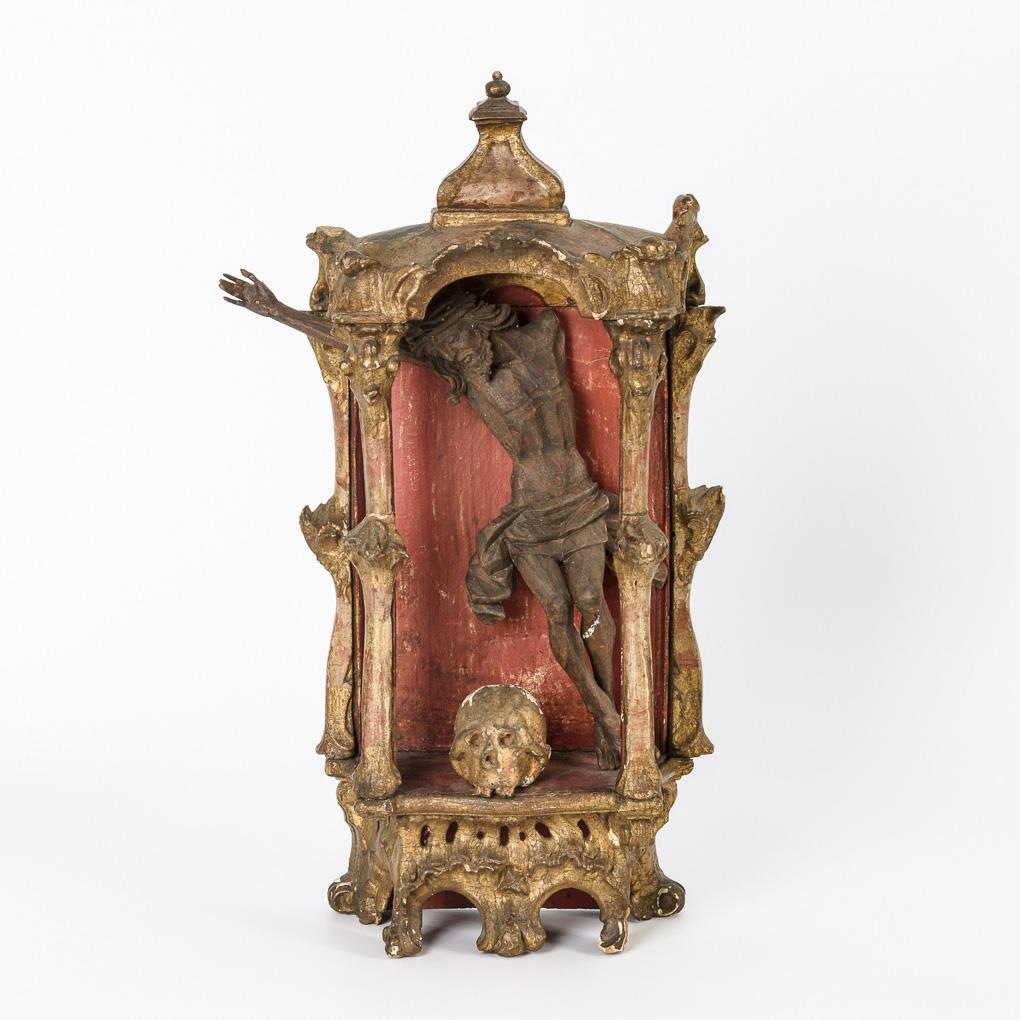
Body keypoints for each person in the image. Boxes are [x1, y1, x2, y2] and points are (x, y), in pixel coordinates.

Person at [405, 293, 622, 768]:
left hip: (578, 500)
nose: (460, 357)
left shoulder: (541, 339)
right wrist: (284, 313)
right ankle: (602, 711)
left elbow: (567, 309)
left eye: (460, 344)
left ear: (477, 328)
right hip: (529, 515)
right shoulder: (473, 378)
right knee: (558, 608)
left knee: (591, 600)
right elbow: (371, 342)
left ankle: (610, 707)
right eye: (449, 354)